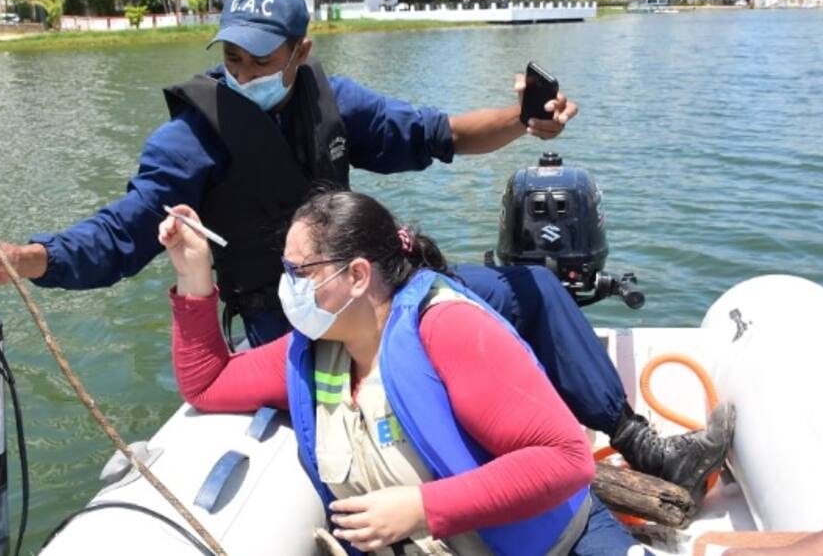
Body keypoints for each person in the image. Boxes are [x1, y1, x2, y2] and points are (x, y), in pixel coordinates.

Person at [0, 0, 733, 498]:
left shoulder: (332, 102)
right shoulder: (191, 138)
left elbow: (434, 133)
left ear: (300, 52)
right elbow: (122, 232)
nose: (243, 70)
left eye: (261, 58)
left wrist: (523, 123)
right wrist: (29, 257)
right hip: (288, 320)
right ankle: (529, 478)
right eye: (231, 56)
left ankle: (639, 441)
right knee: (417, 374)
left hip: (376, 291)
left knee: (529, 288)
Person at [159, 190, 644, 555]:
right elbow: (207, 384)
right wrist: (193, 272)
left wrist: (422, 508)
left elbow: (567, 459)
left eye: (299, 272)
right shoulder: (315, 349)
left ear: (356, 276)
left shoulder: (448, 329)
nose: (287, 286)